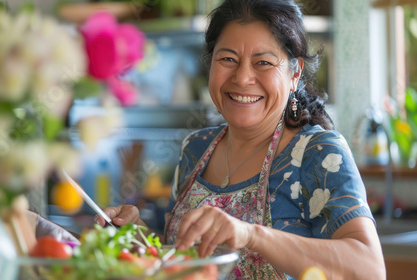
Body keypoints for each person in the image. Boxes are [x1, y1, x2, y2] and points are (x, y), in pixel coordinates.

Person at [97, 0, 386, 279]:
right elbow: (187, 261)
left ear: (294, 72)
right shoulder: (196, 149)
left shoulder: (317, 152)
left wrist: (250, 234)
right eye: (228, 59)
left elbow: (369, 269)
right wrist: (138, 237)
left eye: (263, 62)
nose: (243, 77)